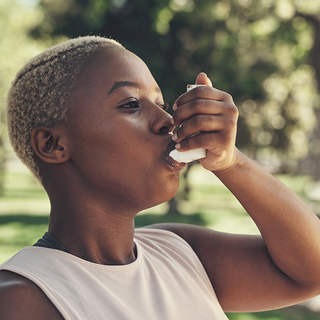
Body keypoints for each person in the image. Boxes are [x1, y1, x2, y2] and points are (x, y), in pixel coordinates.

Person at [0, 35, 320, 320]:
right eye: (130, 104)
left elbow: (311, 272)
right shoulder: (19, 298)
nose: (168, 120)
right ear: (52, 144)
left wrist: (230, 162)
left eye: (161, 103)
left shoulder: (180, 251)